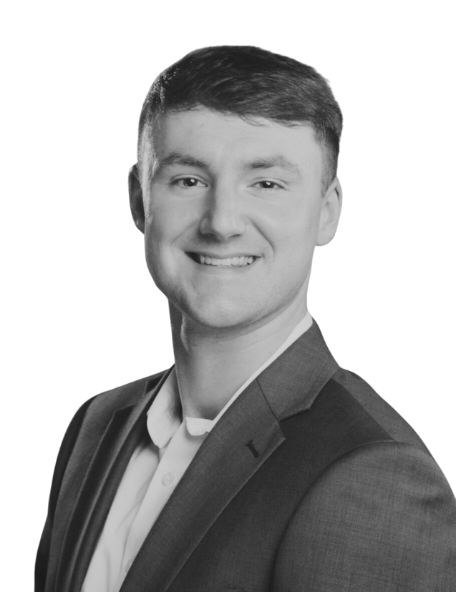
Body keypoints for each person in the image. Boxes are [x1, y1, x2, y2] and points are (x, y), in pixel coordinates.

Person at [35, 46, 456, 592]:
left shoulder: (372, 477)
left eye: (266, 183)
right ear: (139, 200)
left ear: (327, 211)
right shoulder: (96, 427)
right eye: (188, 180)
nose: (222, 222)